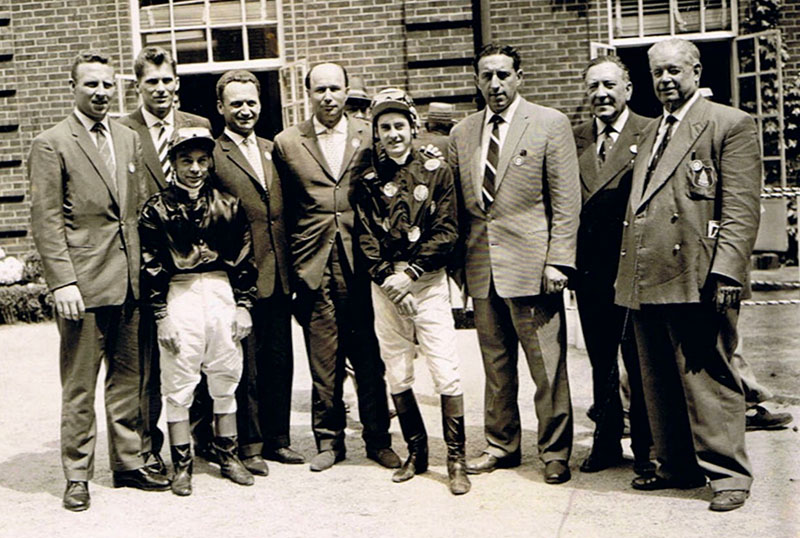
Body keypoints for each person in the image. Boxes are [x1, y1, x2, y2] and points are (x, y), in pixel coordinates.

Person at [615, 38, 761, 512]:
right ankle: (676, 465)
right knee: (657, 380)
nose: (665, 81)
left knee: (709, 376)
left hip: (698, 274)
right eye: (658, 73)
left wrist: (727, 273)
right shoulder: (655, 129)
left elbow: (740, 209)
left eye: (675, 70)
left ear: (696, 71)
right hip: (647, 273)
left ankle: (728, 474)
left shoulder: (728, 123)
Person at [29, 51, 170, 512]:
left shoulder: (128, 139)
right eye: (91, 84)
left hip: (129, 282)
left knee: (128, 380)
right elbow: (46, 220)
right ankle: (76, 474)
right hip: (82, 288)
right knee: (80, 385)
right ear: (72, 88)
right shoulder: (52, 143)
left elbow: (139, 212)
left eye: (108, 85)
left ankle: (128, 463)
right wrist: (62, 283)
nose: (100, 93)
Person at [448, 44, 580, 485]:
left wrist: (559, 260)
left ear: (519, 77)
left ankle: (555, 451)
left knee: (547, 367)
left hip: (535, 267)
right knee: (495, 366)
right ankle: (501, 444)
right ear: (477, 81)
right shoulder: (462, 133)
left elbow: (566, 201)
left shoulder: (548, 123)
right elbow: (460, 209)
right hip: (482, 267)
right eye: (487, 76)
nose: (495, 85)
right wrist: (458, 270)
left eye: (503, 75)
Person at [273, 62, 399, 472]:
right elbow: (285, 210)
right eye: (319, 89)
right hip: (312, 262)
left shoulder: (367, 135)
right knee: (323, 359)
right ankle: (329, 441)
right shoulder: (288, 142)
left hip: (360, 261)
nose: (328, 96)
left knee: (368, 355)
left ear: (347, 92)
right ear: (308, 94)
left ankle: (378, 439)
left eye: (335, 88)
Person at [353, 88, 470, 495]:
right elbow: (365, 237)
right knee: (397, 368)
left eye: (399, 125)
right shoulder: (368, 178)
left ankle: (456, 460)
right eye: (384, 127)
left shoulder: (437, 170)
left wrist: (414, 272)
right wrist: (389, 277)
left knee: (444, 367)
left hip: (428, 282)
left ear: (412, 127)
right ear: (376, 132)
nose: (393, 134)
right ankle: (416, 452)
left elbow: (448, 230)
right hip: (386, 286)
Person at [139, 126, 258, 495]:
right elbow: (151, 264)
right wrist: (162, 315)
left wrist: (243, 305)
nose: (194, 168)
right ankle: (182, 463)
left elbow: (242, 258)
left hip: (220, 290)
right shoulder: (157, 209)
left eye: (202, 160)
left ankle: (228, 454)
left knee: (225, 372)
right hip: (181, 293)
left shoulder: (228, 204)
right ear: (173, 162)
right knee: (179, 379)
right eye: (186, 160)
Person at [119, 45, 212, 476]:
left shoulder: (198, 126)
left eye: (166, 80)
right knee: (149, 364)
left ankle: (197, 445)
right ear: (137, 85)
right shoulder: (123, 132)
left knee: (195, 353)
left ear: (177, 82)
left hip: (192, 268)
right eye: (150, 81)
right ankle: (147, 449)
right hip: (147, 262)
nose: (160, 88)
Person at [212, 69, 305, 472]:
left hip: (280, 272)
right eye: (236, 104)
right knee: (244, 366)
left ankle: (277, 439)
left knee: (279, 359)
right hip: (240, 277)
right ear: (221, 108)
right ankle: (248, 445)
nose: (245, 110)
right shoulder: (214, 155)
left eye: (251, 102)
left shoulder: (273, 149)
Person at [571, 56, 653, 476]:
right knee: (601, 360)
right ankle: (606, 443)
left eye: (608, 85)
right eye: (593, 87)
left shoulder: (651, 131)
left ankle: (646, 448)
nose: (600, 94)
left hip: (633, 268)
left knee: (639, 361)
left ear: (628, 89)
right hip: (590, 271)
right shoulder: (576, 137)